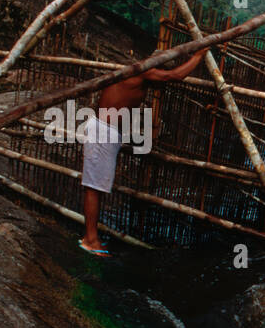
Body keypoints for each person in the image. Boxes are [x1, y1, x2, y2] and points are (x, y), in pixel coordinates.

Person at [78, 46, 209, 255]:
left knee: (97, 186)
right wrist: (198, 56)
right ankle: (90, 239)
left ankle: (91, 236)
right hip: (103, 132)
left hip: (107, 132)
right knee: (94, 187)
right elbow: (174, 76)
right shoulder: (142, 70)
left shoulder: (137, 73)